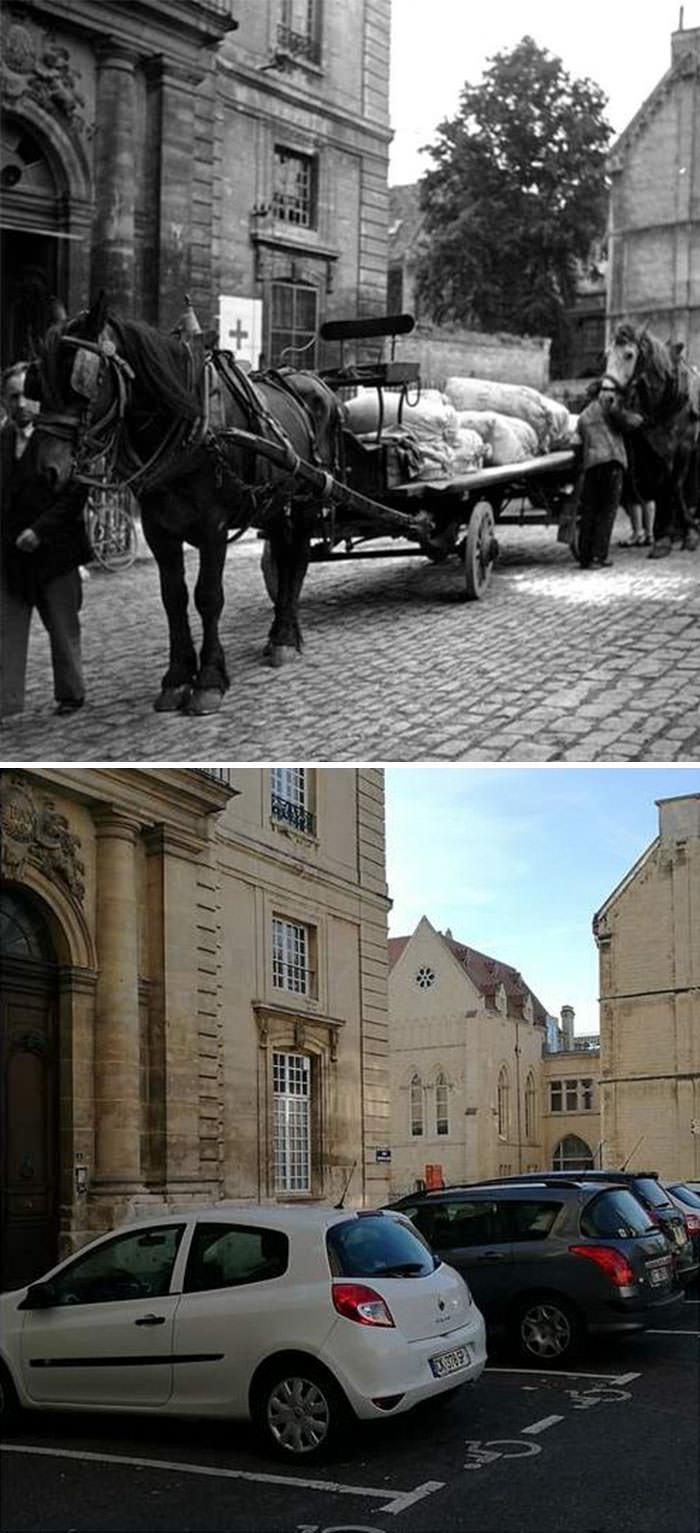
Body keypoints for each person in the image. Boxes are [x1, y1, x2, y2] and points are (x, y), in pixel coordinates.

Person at [0, 361, 92, 718]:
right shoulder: (3, 440)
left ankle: (71, 694)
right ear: (4, 402)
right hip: (10, 553)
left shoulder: (59, 440)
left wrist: (40, 530)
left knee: (62, 626)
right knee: (6, 627)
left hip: (55, 551)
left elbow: (74, 494)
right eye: (12, 397)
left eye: (26, 395)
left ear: (39, 400)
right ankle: (6, 703)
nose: (21, 403)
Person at [575, 380, 643, 569]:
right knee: (607, 512)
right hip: (612, 463)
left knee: (589, 510)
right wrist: (639, 415)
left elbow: (577, 439)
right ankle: (599, 556)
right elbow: (631, 423)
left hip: (591, 465)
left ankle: (585, 557)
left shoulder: (584, 415)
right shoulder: (612, 410)